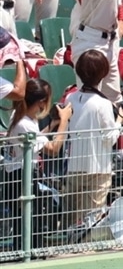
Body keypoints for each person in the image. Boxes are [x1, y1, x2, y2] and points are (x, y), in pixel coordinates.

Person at [64, 50, 123, 228]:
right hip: (98, 169)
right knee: (92, 220)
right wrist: (120, 121)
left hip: (74, 166)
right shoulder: (103, 104)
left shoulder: (70, 98)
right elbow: (110, 138)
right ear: (103, 73)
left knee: (71, 220)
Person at [4, 79, 71, 250]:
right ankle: (28, 254)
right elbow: (53, 149)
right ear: (41, 102)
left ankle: (26, 252)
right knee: (27, 221)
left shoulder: (20, 115)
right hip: (22, 175)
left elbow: (34, 138)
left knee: (26, 219)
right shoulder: (25, 123)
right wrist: (64, 121)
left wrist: (53, 125)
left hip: (18, 174)